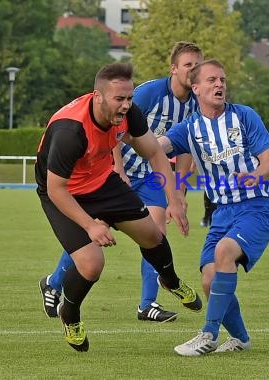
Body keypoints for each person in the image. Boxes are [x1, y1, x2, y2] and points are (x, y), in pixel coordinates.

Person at [35, 62, 202, 352]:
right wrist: (90, 224)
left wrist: (175, 199)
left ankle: (171, 281)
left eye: (129, 98)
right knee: (92, 263)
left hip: (102, 181)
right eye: (119, 99)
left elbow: (154, 152)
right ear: (97, 97)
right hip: (63, 192)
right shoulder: (70, 131)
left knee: (152, 235)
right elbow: (56, 188)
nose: (126, 105)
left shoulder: (128, 113)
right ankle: (70, 314)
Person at [159, 59, 269, 356]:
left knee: (224, 252)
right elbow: (157, 146)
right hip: (222, 214)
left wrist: (252, 176)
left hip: (254, 208)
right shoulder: (190, 128)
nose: (219, 85)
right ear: (195, 88)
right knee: (210, 280)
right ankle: (241, 339)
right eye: (211, 80)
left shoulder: (245, 117)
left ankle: (208, 334)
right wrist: (125, 136)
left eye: (222, 80)